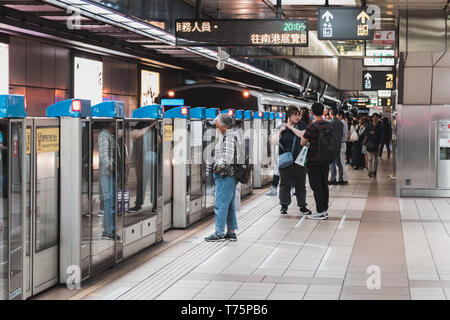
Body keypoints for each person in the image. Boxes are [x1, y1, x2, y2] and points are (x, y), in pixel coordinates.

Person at [205, 113, 240, 242]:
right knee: (229, 204)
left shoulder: (229, 138)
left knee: (220, 204)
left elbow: (227, 159)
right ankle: (231, 232)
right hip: (228, 176)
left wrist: (216, 168)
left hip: (226, 175)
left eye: (217, 125)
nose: (216, 127)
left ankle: (219, 233)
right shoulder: (227, 135)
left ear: (224, 126)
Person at [271, 106, 312, 215]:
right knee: (284, 183)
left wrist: (291, 128)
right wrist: (280, 131)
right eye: (294, 114)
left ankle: (302, 206)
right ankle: (284, 205)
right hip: (286, 160)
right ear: (289, 115)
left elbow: (303, 135)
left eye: (298, 114)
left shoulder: (302, 125)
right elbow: (273, 142)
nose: (297, 117)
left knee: (300, 184)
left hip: (300, 160)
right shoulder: (281, 126)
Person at [301, 103, 331, 220]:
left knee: (316, 186)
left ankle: (320, 211)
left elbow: (303, 142)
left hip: (313, 160)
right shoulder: (329, 125)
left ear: (312, 112)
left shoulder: (311, 127)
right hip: (325, 159)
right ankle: (324, 209)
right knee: (324, 184)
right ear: (323, 111)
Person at [129, 122, 158, 213]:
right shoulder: (141, 132)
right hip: (141, 163)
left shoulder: (154, 133)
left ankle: (154, 203)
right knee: (141, 183)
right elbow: (134, 134)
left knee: (153, 184)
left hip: (151, 162)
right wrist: (150, 127)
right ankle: (139, 203)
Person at [98, 122, 119, 240]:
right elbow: (104, 156)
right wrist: (111, 166)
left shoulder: (110, 136)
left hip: (110, 174)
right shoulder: (104, 136)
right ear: (110, 126)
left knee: (110, 202)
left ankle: (107, 229)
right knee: (109, 202)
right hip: (107, 174)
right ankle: (109, 231)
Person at [363, 113, 384, 177]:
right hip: (369, 143)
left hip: (377, 144)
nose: (375, 118)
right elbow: (365, 132)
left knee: (375, 159)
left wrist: (380, 143)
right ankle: (370, 171)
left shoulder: (380, 126)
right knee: (370, 158)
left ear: (378, 118)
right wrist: (370, 132)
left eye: (376, 117)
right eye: (373, 117)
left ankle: (374, 171)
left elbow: (382, 136)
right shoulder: (368, 125)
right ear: (372, 118)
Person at [328, 108, 344, 185]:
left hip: (332, 145)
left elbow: (329, 135)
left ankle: (333, 178)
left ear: (331, 113)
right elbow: (341, 134)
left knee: (332, 163)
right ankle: (341, 178)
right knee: (338, 162)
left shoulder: (330, 123)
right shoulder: (341, 123)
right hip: (338, 145)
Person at [337, 109, 349, 184]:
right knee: (342, 162)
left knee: (341, 162)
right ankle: (344, 178)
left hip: (341, 143)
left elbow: (340, 134)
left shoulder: (341, 123)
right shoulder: (344, 122)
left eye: (337, 115)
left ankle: (344, 178)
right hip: (343, 143)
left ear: (341, 116)